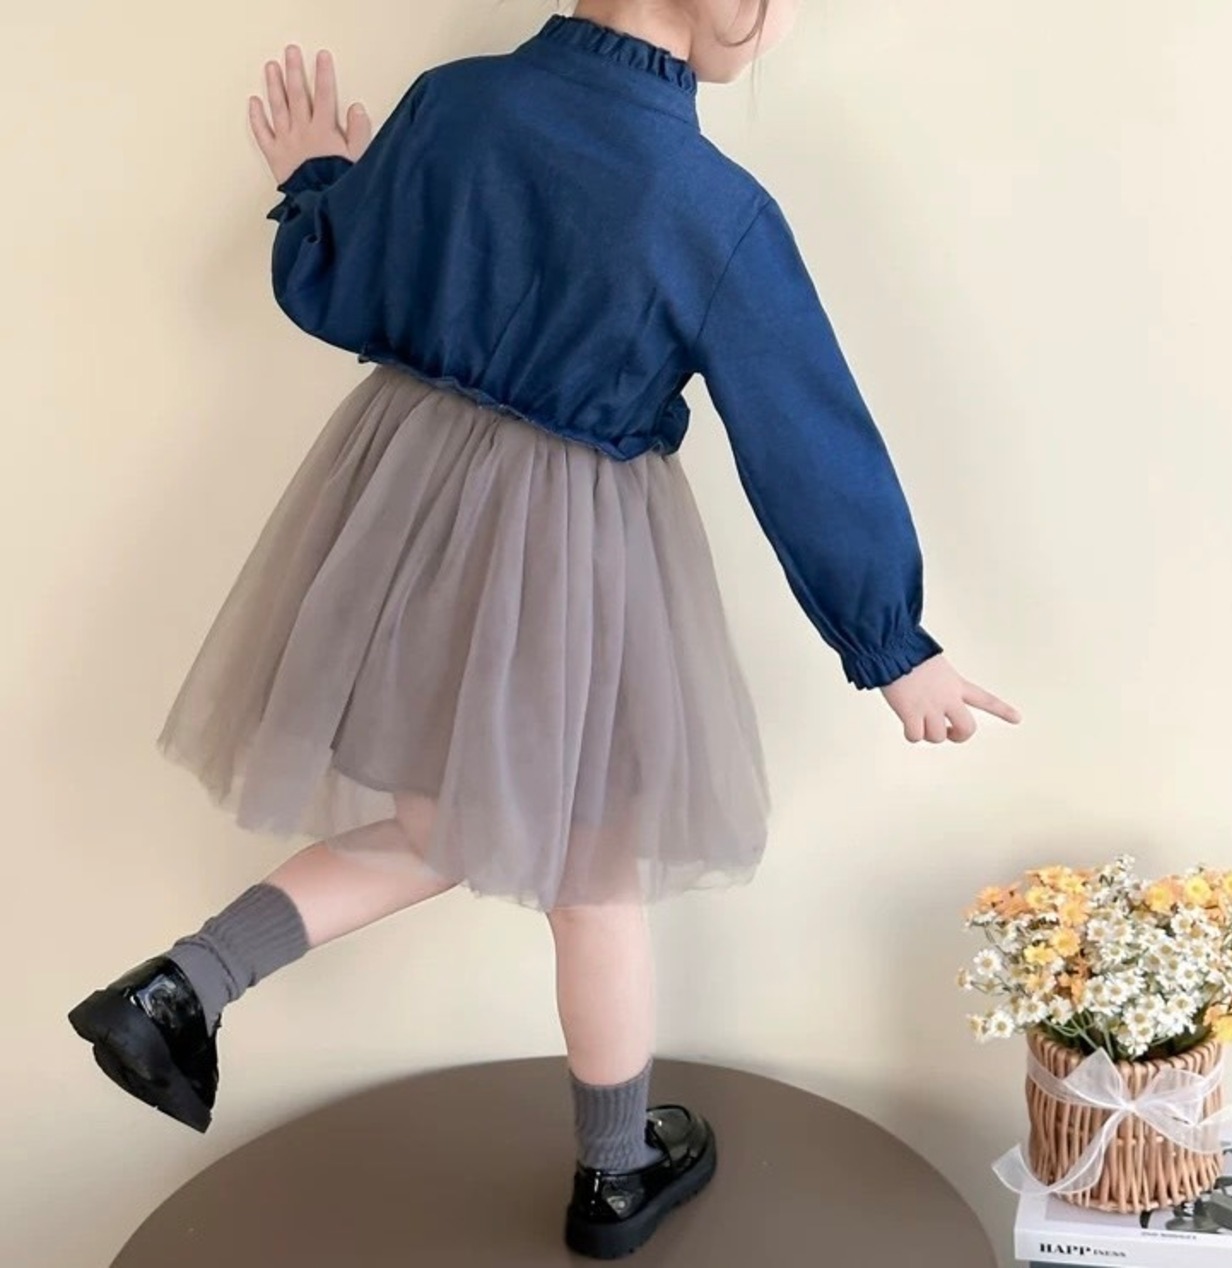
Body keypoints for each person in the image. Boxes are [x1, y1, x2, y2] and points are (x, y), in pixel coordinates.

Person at [68, 1, 1021, 1257]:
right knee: (593, 863)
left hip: (398, 506)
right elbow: (801, 428)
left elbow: (343, 288)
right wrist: (890, 642)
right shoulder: (710, 206)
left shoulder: (455, 103)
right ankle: (613, 1171)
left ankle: (182, 985)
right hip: (570, 548)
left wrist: (318, 188)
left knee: (446, 824)